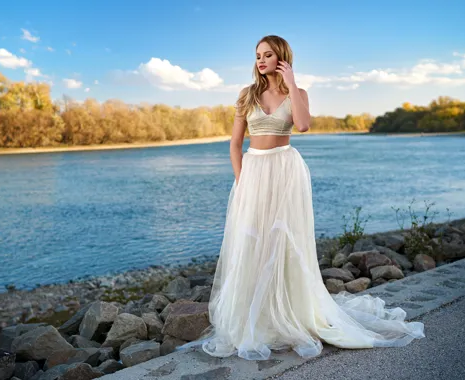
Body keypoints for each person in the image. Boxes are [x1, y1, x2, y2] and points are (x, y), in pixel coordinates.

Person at [178, 35, 425, 360]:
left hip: (285, 170)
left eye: (267, 54)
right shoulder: (246, 94)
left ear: (282, 57)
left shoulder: (298, 93)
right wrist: (242, 184)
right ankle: (254, 316)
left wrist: (292, 82)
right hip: (253, 172)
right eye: (257, 56)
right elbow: (235, 144)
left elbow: (305, 124)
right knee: (251, 242)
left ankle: (288, 310)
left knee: (284, 240)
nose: (261, 60)